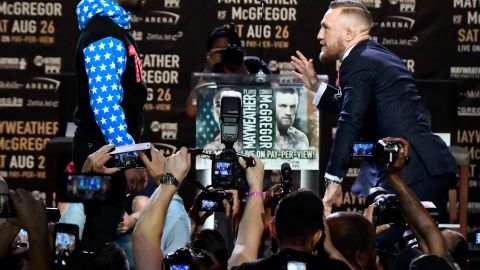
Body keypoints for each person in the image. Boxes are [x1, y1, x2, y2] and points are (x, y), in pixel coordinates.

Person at [290, 0, 457, 216]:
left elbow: (350, 118)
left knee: (375, 242)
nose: (319, 35)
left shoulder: (358, 62)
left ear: (349, 33)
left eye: (326, 27)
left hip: (415, 169)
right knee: (414, 244)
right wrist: (316, 86)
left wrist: (333, 179)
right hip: (424, 165)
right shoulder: (372, 55)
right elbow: (356, 106)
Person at [70, 0, 149, 252]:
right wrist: (128, 159)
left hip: (103, 151)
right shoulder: (104, 33)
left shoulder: (109, 28)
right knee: (99, 241)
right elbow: (106, 107)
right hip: (104, 156)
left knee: (102, 234)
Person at [235, 190, 350, 270]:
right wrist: (330, 248)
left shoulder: (248, 269)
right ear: (318, 236)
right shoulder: (336, 268)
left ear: (273, 229)